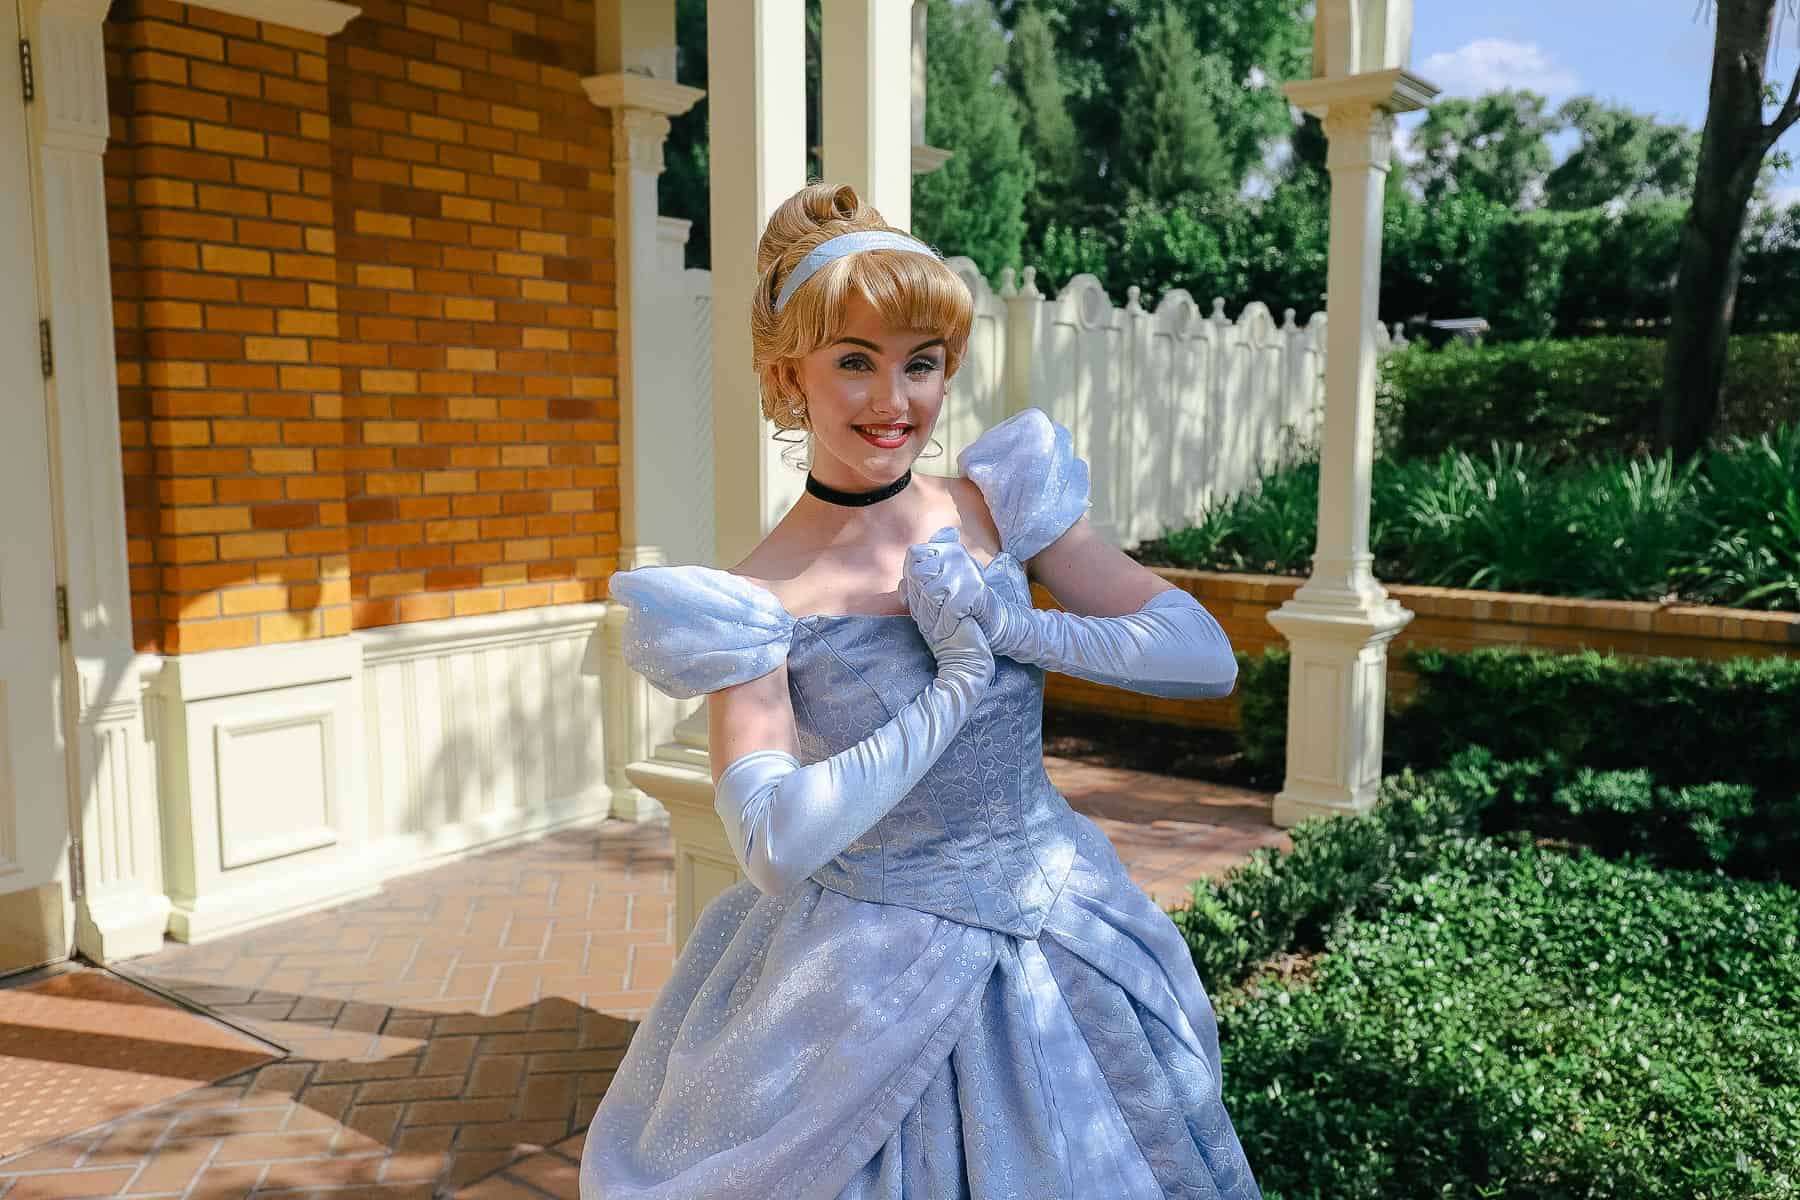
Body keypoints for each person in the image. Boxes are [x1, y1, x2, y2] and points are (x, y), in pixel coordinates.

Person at [580, 182, 1262, 1199]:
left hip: (1058, 917)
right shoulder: (754, 599)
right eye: (854, 361)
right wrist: (958, 684)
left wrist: (1020, 624)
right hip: (864, 975)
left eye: (922, 363)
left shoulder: (997, 504)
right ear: (787, 376)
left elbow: (1206, 656)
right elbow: (771, 842)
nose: (893, 401)